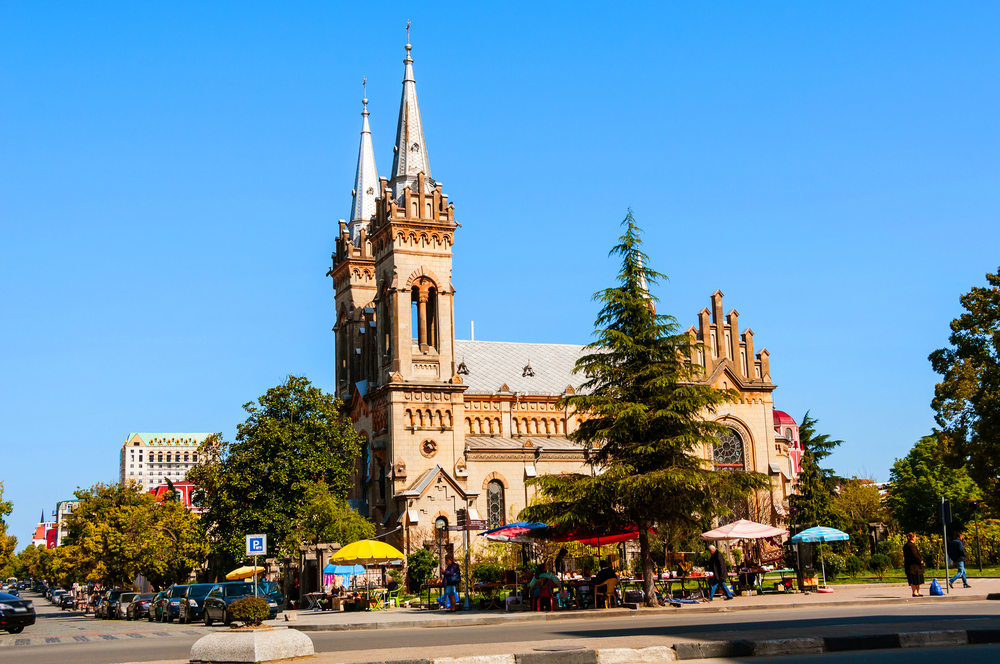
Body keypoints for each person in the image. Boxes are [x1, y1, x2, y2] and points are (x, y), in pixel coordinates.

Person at [902, 532, 924, 597]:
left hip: (912, 566)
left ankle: (918, 591)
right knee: (914, 579)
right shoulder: (911, 546)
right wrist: (920, 561)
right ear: (912, 538)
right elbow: (914, 555)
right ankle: (915, 592)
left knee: (916, 579)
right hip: (914, 566)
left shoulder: (907, 545)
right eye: (915, 537)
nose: (916, 538)